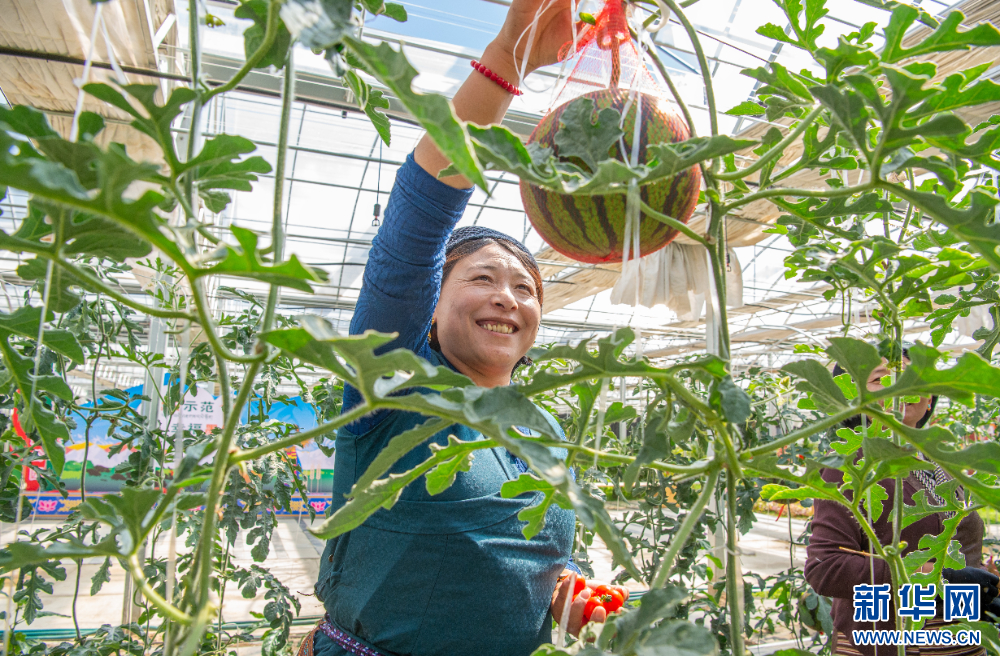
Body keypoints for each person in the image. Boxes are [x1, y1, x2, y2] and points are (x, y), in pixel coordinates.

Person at [303, 2, 625, 655]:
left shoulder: (542, 427)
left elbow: (526, 552)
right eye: (482, 278)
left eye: (525, 288)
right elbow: (416, 225)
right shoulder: (393, 384)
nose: (507, 296)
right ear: (429, 305)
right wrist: (507, 58)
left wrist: (564, 592)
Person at [804, 355, 998, 656]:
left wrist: (984, 583)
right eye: (880, 378)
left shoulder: (943, 463)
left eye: (911, 377)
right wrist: (932, 576)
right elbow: (825, 567)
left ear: (929, 398)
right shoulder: (849, 466)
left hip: (963, 642)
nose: (899, 385)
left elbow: (959, 552)